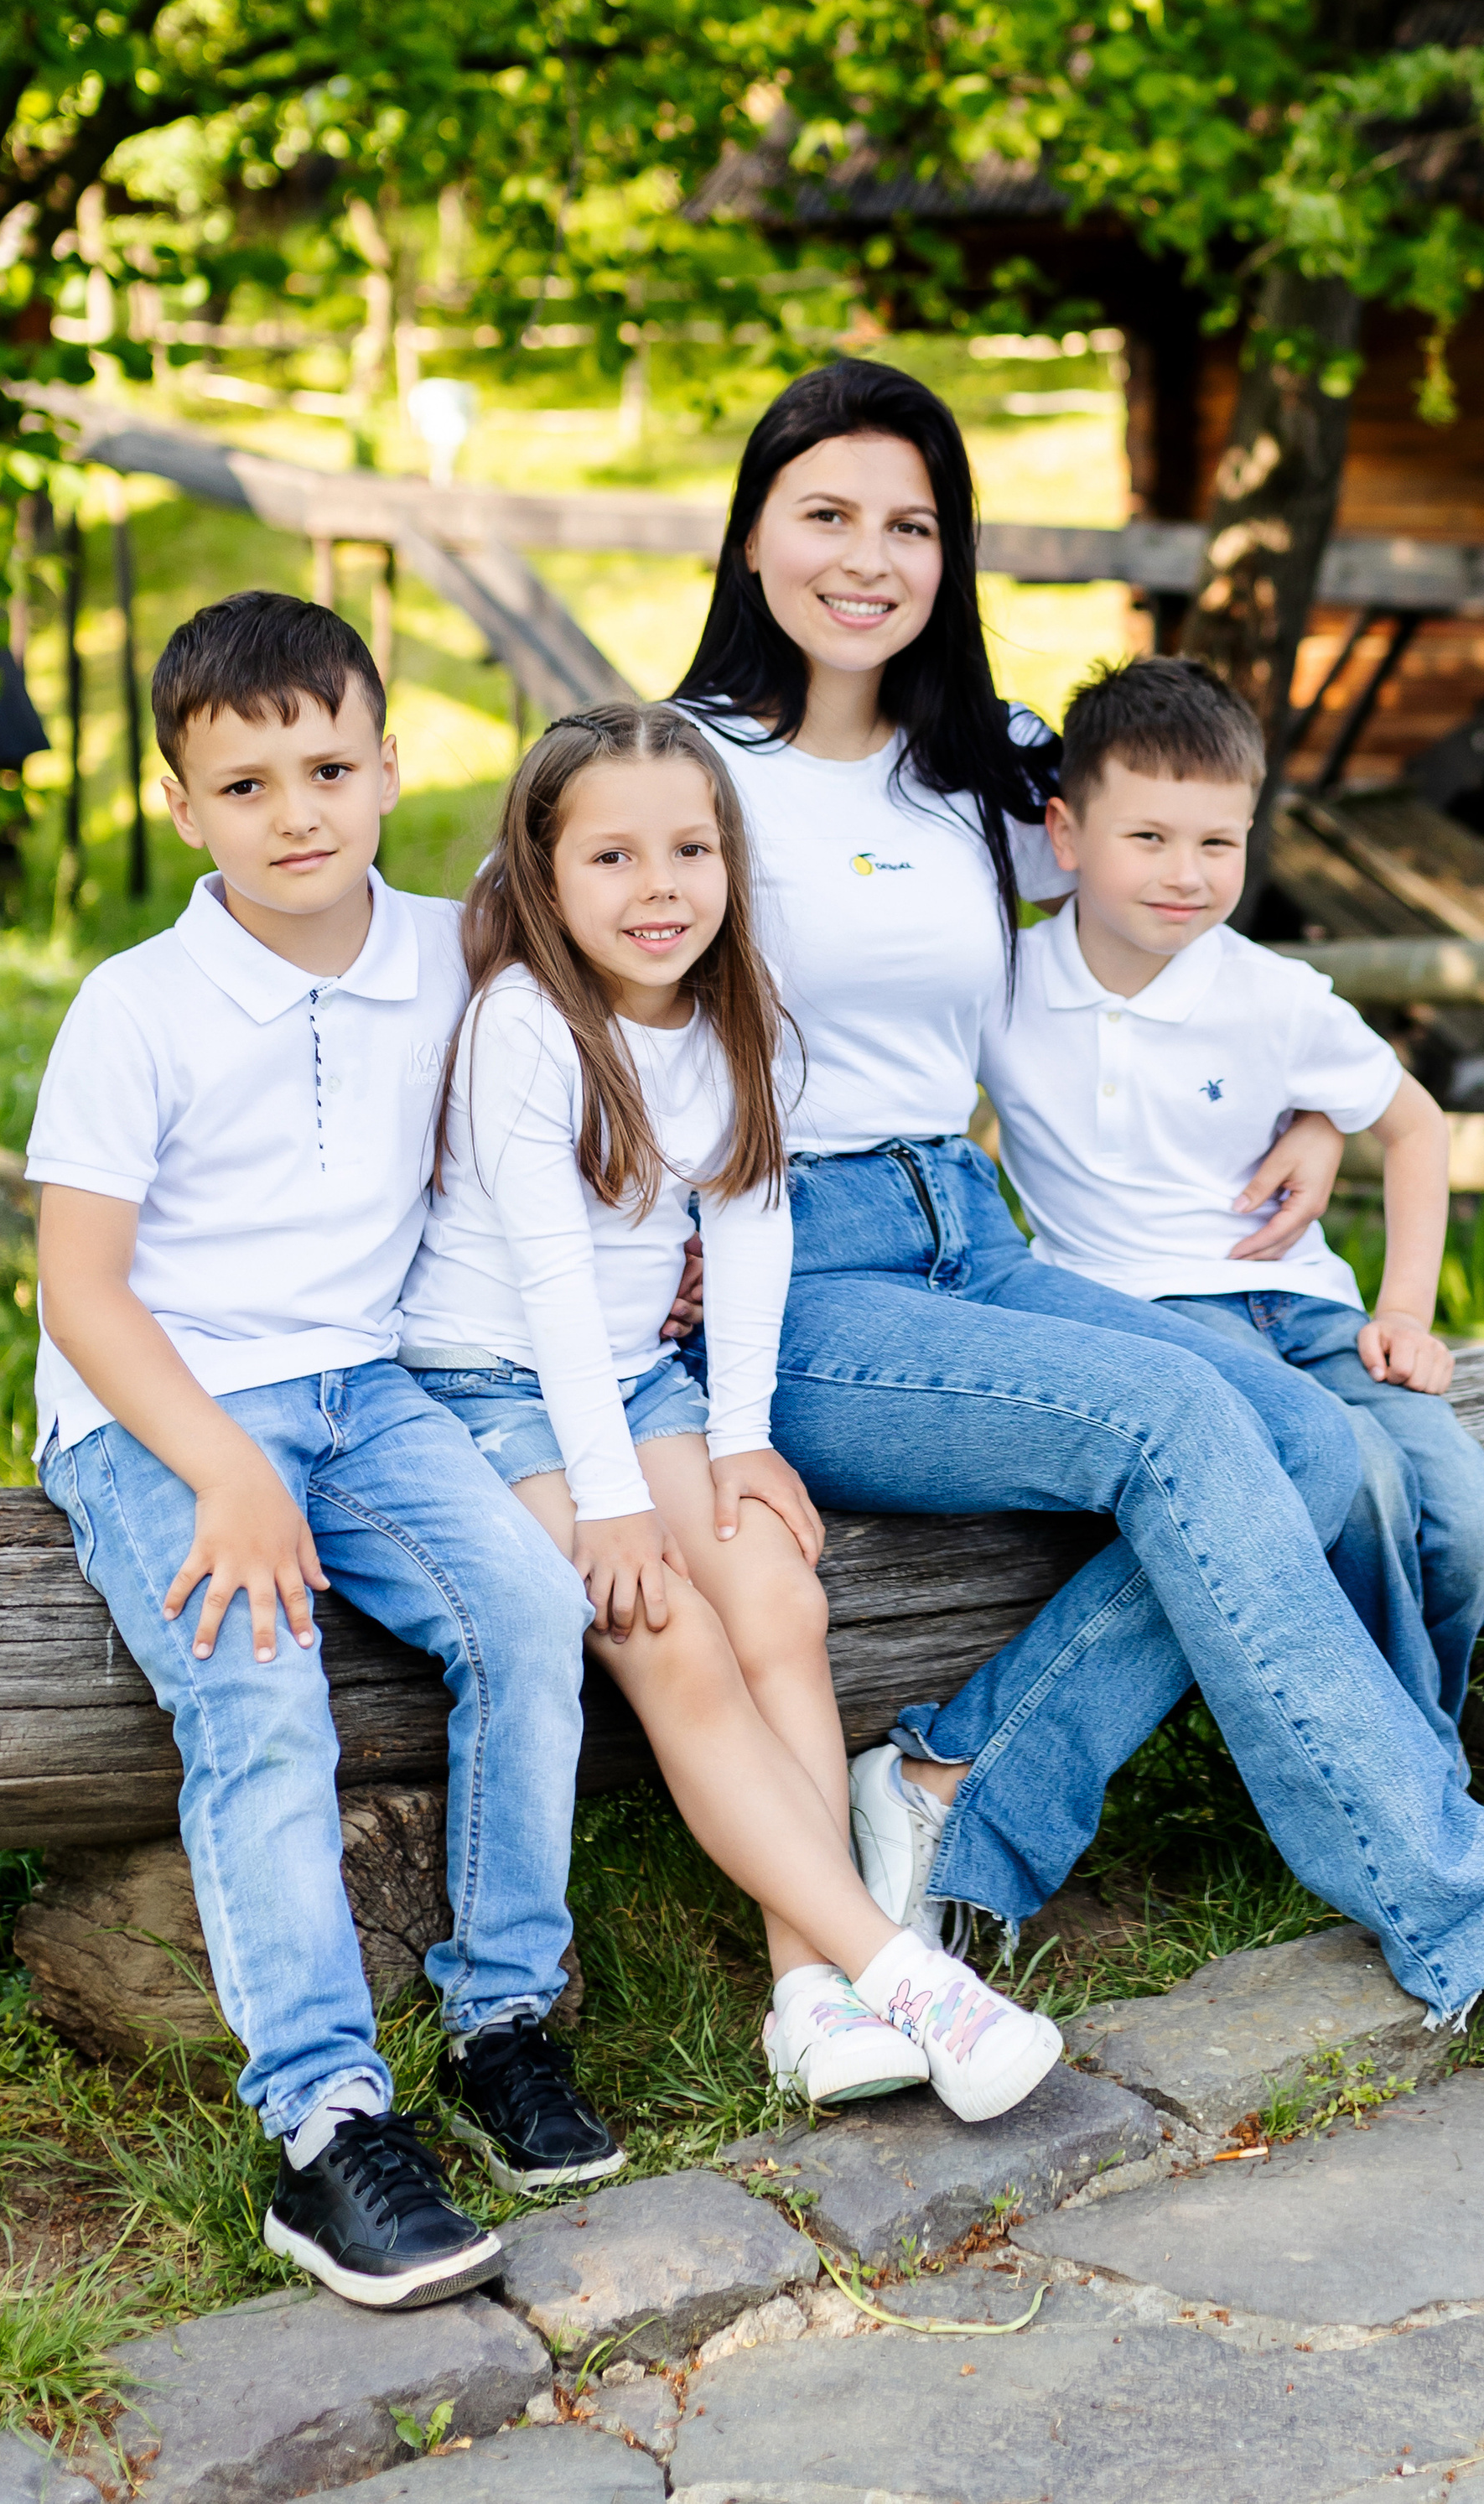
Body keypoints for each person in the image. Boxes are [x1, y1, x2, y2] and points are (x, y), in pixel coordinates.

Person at [673, 356, 1484, 2069]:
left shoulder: (982, 769)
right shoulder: (674, 767)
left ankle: (946, 1779)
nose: (867, 557)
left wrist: (1317, 1100)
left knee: (1305, 1447)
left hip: (971, 1230)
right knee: (1174, 1405)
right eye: (826, 513)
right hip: (785, 1265)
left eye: (910, 522)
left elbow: (1165, 921)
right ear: (751, 533)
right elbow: (527, 1019)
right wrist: (615, 1259)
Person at [29, 591, 620, 2314]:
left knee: (526, 1612)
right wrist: (220, 1468)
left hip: (368, 1387)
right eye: (246, 781)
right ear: (180, 805)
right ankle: (324, 2121)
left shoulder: (459, 955)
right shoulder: (135, 1004)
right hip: (162, 1409)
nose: (295, 811)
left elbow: (646, 1012)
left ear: (385, 763)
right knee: (260, 1684)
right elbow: (80, 1286)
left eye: (328, 766)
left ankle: (503, 2010)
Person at [399, 699, 1063, 2122]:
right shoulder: (528, 1023)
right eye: (614, 859)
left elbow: (751, 1228)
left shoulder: (731, 1016)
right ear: (542, 872)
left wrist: (743, 1433)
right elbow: (552, 1279)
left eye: (690, 851)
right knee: (668, 1630)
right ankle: (902, 1968)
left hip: (640, 1378)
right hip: (488, 1383)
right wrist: (622, 1500)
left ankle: (806, 1992)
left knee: (777, 1597)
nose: (659, 891)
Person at [975, 654, 1484, 1764]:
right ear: (1067, 834)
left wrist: (1406, 1312)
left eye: (1218, 842)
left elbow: (1415, 1127)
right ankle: (1415, 1776)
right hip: (1148, 1312)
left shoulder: (1274, 995)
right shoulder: (1000, 985)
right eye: (1150, 838)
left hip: (1306, 1303)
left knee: (1472, 1528)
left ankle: (1371, 1733)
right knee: (1356, 1476)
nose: (1186, 873)